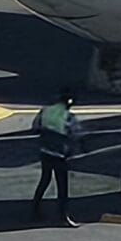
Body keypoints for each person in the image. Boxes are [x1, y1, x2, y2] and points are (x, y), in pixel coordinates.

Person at [30, 92, 78, 226]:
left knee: (45, 179)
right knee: (62, 185)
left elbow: (35, 127)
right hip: (59, 153)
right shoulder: (68, 116)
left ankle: (35, 208)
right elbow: (74, 134)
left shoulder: (45, 111)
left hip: (45, 151)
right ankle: (63, 216)